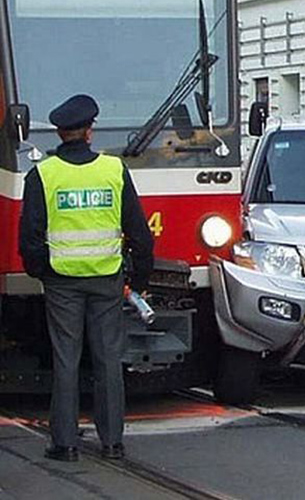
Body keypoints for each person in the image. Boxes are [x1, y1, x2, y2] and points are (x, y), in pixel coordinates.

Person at [18, 94, 154, 463]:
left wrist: (42, 271)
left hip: (62, 281)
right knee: (109, 358)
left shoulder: (43, 174)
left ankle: (65, 443)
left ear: (60, 133)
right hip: (107, 278)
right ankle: (112, 442)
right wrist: (139, 278)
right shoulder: (113, 170)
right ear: (90, 132)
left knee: (66, 358)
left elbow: (29, 236)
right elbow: (139, 232)